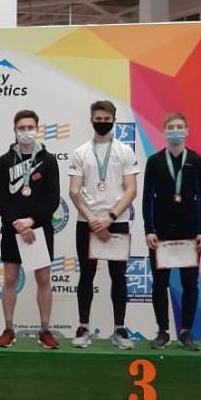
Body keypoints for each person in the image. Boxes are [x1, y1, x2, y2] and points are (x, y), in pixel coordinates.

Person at [68, 100, 138, 349]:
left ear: (114, 120)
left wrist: (109, 217)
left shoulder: (125, 151)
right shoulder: (81, 152)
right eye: (98, 119)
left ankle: (119, 329)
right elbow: (74, 191)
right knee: (86, 275)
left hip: (116, 222)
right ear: (91, 119)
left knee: (118, 276)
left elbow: (131, 190)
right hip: (86, 223)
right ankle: (83, 327)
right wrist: (93, 219)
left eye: (107, 119)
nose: (102, 123)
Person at [0, 110, 61, 349]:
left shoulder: (49, 160)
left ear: (37, 129)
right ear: (15, 130)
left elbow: (53, 198)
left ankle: (45, 330)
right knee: (10, 278)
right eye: (21, 128)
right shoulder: (4, 161)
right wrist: (17, 224)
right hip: (12, 229)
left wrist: (31, 221)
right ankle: (8, 328)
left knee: (43, 279)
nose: (26, 132)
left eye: (30, 127)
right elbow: (0, 199)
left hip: (39, 229)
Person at [142, 113, 201, 351]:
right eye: (171, 127)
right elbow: (147, 197)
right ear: (164, 131)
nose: (175, 131)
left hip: (190, 233)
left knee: (190, 283)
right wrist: (149, 229)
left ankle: (186, 331)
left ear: (187, 130)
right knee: (160, 284)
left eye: (180, 126)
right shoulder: (155, 161)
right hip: (161, 233)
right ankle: (163, 331)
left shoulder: (197, 161)